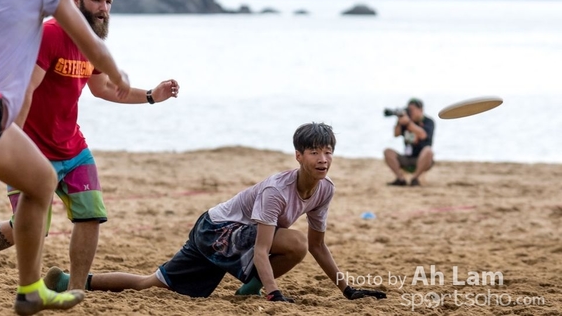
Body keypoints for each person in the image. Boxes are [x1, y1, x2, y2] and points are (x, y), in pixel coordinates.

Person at [0, 0, 180, 293]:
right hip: (32, 149)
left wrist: (150, 95)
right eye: (97, 0)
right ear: (75, 1)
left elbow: (104, 88)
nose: (104, 8)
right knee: (30, 226)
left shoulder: (92, 45)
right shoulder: (49, 34)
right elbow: (25, 91)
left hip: (74, 148)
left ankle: (77, 288)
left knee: (91, 216)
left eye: (108, 2)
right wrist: (7, 146)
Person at [0, 0, 131, 314]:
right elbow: (92, 46)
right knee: (38, 183)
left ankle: (30, 290)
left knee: (40, 181)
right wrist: (119, 74)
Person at [43, 122, 387, 303]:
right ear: (298, 155)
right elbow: (263, 250)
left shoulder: (325, 189)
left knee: (154, 284)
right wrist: (273, 293)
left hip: (226, 235)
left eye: (327, 151)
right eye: (314, 151)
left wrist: (348, 290)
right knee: (292, 242)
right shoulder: (275, 191)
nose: (322, 159)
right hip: (216, 229)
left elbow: (319, 247)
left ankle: (70, 282)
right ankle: (252, 290)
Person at [384, 98, 435, 187]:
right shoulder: (405, 122)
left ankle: (414, 179)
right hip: (407, 157)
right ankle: (400, 179)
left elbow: (423, 134)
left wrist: (408, 123)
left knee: (428, 151)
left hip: (422, 159)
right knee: (387, 152)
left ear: (421, 110)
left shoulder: (428, 121)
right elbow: (396, 134)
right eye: (409, 110)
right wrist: (399, 121)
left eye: (412, 110)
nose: (410, 112)